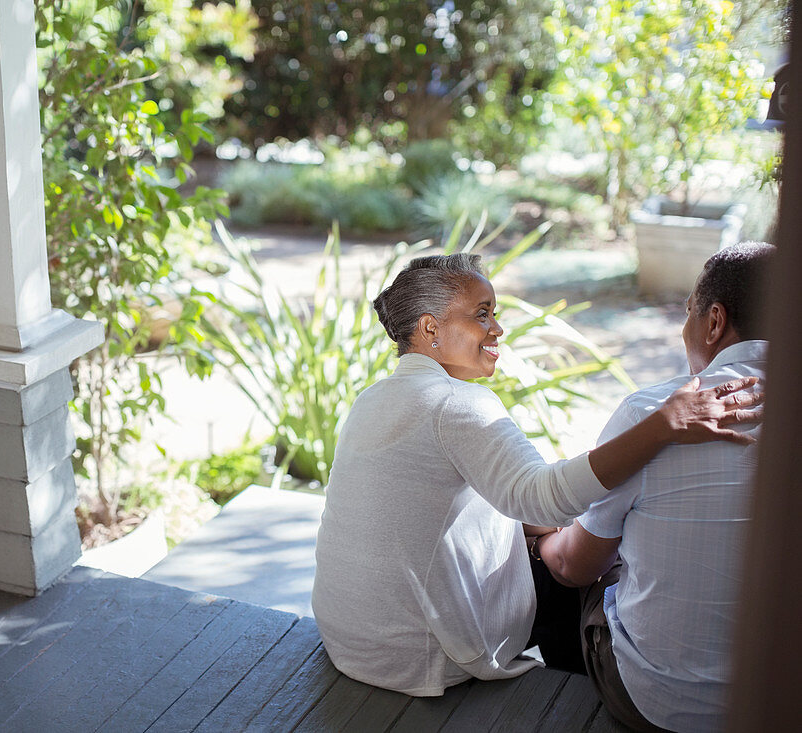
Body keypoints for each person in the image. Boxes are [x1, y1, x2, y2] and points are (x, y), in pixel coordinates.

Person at [310, 252, 760, 698]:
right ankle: (571, 701)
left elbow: (465, 504)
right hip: (424, 658)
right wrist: (664, 424)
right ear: (431, 329)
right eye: (481, 315)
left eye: (495, 313)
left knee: (557, 542)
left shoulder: (374, 397)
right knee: (573, 569)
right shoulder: (457, 404)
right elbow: (544, 499)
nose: (497, 328)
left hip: (354, 642)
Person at [537, 242, 773, 732]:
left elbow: (575, 567)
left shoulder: (654, 413)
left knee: (563, 556)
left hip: (669, 706)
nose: (682, 330)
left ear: (714, 321)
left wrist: (538, 537)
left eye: (688, 313)